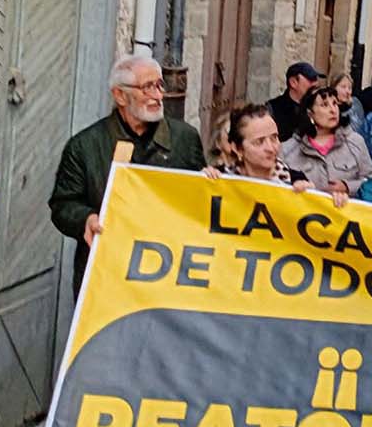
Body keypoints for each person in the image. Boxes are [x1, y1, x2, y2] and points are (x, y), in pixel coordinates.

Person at [49, 55, 205, 294]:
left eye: (160, 85)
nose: (157, 96)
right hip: (107, 273)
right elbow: (63, 205)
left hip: (168, 273)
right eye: (147, 87)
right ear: (120, 96)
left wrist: (210, 181)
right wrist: (86, 219)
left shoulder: (185, 138)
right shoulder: (84, 146)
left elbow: (199, 200)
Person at [279, 86, 372, 197]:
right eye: (324, 105)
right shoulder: (288, 149)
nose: (333, 110)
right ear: (310, 113)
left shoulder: (355, 142)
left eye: (334, 103)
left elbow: (371, 182)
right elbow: (278, 185)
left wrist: (347, 187)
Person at [204, 103, 307, 186]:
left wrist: (308, 196)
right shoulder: (220, 178)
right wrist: (204, 181)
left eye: (274, 138)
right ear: (238, 149)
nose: (271, 148)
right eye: (259, 142)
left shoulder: (296, 181)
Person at [267, 60, 321, 142]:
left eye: (316, 79)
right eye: (311, 79)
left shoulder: (319, 108)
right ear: (293, 82)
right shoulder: (273, 108)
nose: (316, 83)